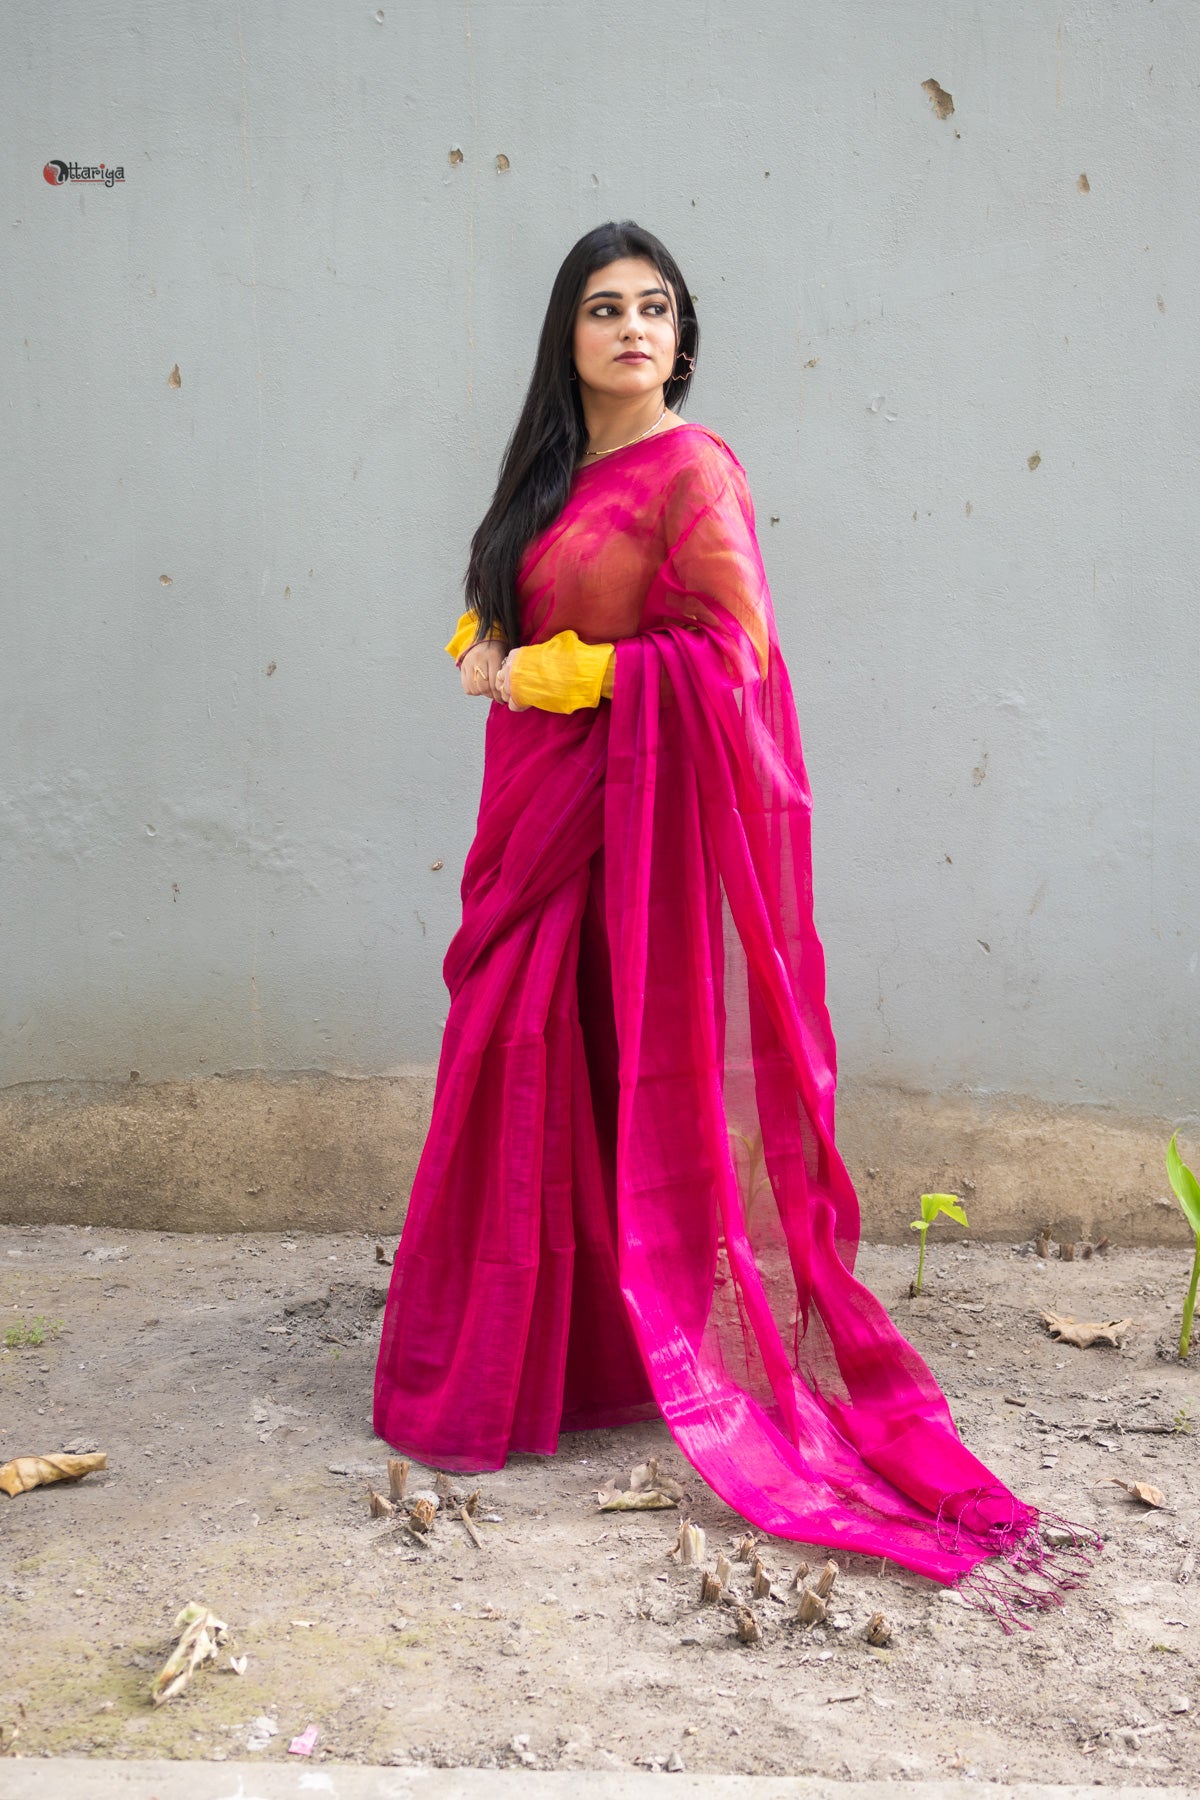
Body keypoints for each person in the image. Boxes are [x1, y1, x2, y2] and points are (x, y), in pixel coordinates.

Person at [374, 221, 1096, 1626]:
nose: (633, 328)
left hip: (617, 806)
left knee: (555, 1053)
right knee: (521, 1067)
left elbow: (729, 652)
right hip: (530, 816)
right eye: (604, 308)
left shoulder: (695, 471)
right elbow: (495, 607)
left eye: (656, 308)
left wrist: (579, 677)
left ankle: (584, 1355)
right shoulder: (545, 474)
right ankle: (550, 1360)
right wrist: (482, 651)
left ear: (684, 337)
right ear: (566, 337)